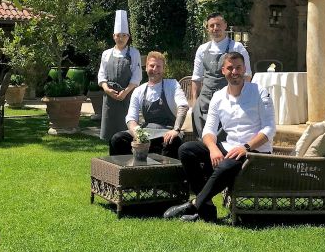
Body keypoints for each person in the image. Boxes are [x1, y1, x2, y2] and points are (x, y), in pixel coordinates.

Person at [164, 52, 275, 222]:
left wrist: (246, 147)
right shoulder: (218, 96)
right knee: (187, 149)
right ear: (223, 70)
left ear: (245, 69)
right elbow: (209, 130)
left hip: (255, 151)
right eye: (230, 68)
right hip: (229, 147)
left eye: (238, 67)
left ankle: (194, 205)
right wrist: (213, 148)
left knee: (226, 165)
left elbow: (269, 129)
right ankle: (207, 209)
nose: (235, 71)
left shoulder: (259, 92)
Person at [109, 51, 189, 159]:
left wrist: (176, 130)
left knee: (172, 141)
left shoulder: (172, 85)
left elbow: (183, 106)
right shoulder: (139, 90)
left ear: (163, 69)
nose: (155, 69)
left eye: (158, 66)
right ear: (146, 67)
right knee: (117, 139)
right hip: (146, 132)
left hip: (167, 131)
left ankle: (165, 175)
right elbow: (131, 118)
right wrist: (137, 132)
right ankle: (124, 173)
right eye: (152, 66)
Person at [191, 12, 251, 136]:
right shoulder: (202, 49)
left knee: (226, 138)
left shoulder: (237, 48)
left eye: (218, 24)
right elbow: (196, 78)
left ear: (225, 26)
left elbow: (247, 76)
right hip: (205, 102)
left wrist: (242, 100)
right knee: (205, 138)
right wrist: (195, 102)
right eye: (211, 26)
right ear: (207, 29)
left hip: (229, 101)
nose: (215, 28)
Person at [98, 10, 142, 142]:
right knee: (110, 129)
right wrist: (106, 89)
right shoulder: (106, 54)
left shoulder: (134, 53)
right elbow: (102, 73)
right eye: (118, 35)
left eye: (124, 35)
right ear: (113, 36)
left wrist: (126, 91)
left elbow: (137, 76)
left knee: (127, 128)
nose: (121, 38)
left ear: (128, 37)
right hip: (109, 96)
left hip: (127, 95)